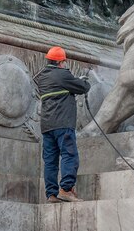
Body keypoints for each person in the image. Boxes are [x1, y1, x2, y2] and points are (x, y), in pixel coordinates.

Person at [38, 46, 91, 203]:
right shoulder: (63, 74)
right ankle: (66, 189)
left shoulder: (42, 77)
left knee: (50, 161)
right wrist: (83, 81)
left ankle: (51, 194)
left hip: (47, 126)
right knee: (69, 155)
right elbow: (83, 88)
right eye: (64, 62)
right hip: (63, 123)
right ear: (60, 62)